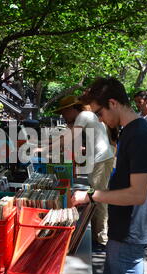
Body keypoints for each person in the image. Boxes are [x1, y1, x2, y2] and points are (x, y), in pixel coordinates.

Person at [72, 77, 147, 274]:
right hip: (123, 227)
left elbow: (137, 194)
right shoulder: (130, 131)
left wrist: (91, 195)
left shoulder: (140, 135)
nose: (99, 119)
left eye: (99, 113)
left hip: (131, 230)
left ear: (113, 103)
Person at [54, 95, 115, 246]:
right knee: (96, 197)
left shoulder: (83, 115)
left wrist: (44, 146)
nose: (63, 116)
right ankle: (98, 236)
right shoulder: (85, 116)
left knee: (99, 198)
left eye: (63, 112)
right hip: (100, 160)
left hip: (100, 161)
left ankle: (102, 238)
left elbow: (69, 139)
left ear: (71, 109)